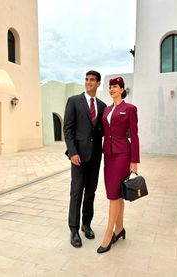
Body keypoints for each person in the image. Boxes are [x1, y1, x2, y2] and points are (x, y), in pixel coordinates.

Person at [97, 77, 140, 254]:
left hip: (123, 154)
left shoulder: (130, 109)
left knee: (113, 195)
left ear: (122, 89)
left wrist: (134, 161)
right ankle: (120, 228)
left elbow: (135, 135)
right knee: (117, 193)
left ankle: (109, 233)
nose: (112, 89)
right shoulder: (106, 109)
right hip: (108, 154)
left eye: (115, 87)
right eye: (110, 87)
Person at [63, 70, 106, 248]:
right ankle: (73, 229)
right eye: (86, 79)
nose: (88, 82)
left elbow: (103, 131)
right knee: (76, 192)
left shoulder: (103, 106)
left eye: (92, 80)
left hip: (95, 157)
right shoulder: (74, 101)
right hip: (78, 157)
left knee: (90, 193)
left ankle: (86, 224)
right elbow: (68, 129)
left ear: (98, 83)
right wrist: (72, 153)